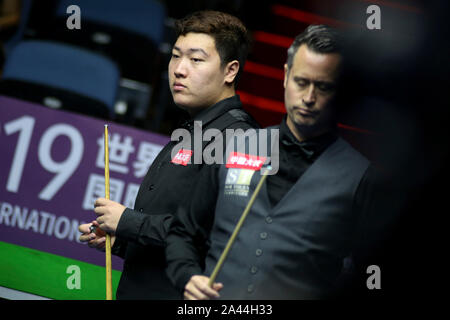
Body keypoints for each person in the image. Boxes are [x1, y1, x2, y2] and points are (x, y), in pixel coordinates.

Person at [165, 25, 388, 299]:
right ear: (285, 77)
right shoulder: (233, 145)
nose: (308, 98)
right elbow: (183, 233)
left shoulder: (362, 178)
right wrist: (188, 276)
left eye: (324, 87)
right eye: (301, 82)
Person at [78, 10, 259, 299]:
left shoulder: (245, 140)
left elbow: (217, 234)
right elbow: (174, 231)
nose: (179, 69)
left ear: (230, 71)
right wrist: (121, 240)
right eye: (176, 55)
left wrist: (128, 222)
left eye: (196, 59)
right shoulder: (192, 128)